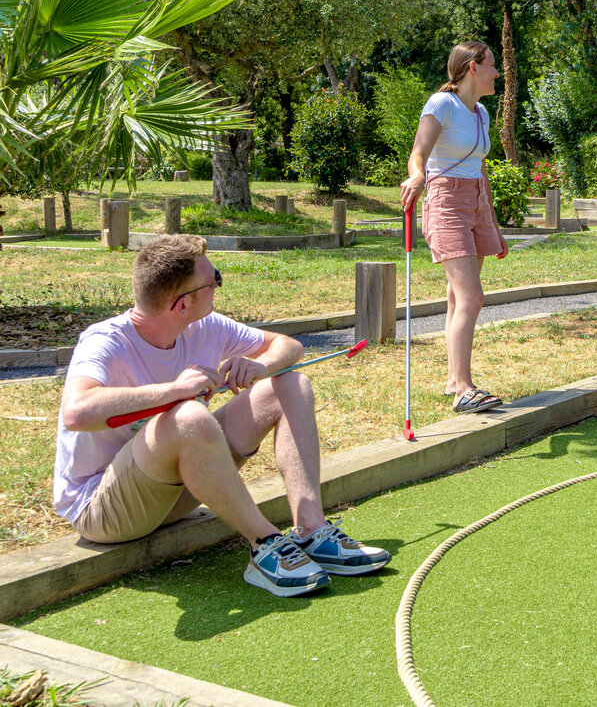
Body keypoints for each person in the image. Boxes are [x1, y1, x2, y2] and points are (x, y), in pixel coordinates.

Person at [55, 234, 390, 598]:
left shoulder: (203, 326)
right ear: (183, 304)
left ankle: (311, 529)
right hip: (105, 511)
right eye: (214, 278)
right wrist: (175, 391)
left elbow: (289, 346)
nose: (218, 283)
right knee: (188, 417)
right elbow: (76, 411)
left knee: (291, 385)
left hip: (174, 492)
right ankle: (265, 544)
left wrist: (260, 366)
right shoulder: (106, 341)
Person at [400, 41, 508, 414]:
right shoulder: (441, 104)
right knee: (471, 297)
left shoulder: (482, 113)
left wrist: (492, 220)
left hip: (477, 202)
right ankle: (464, 389)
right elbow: (419, 154)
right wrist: (416, 179)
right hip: (446, 203)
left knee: (457, 296)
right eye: (493, 66)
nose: (499, 73)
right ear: (473, 68)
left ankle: (453, 380)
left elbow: (480, 168)